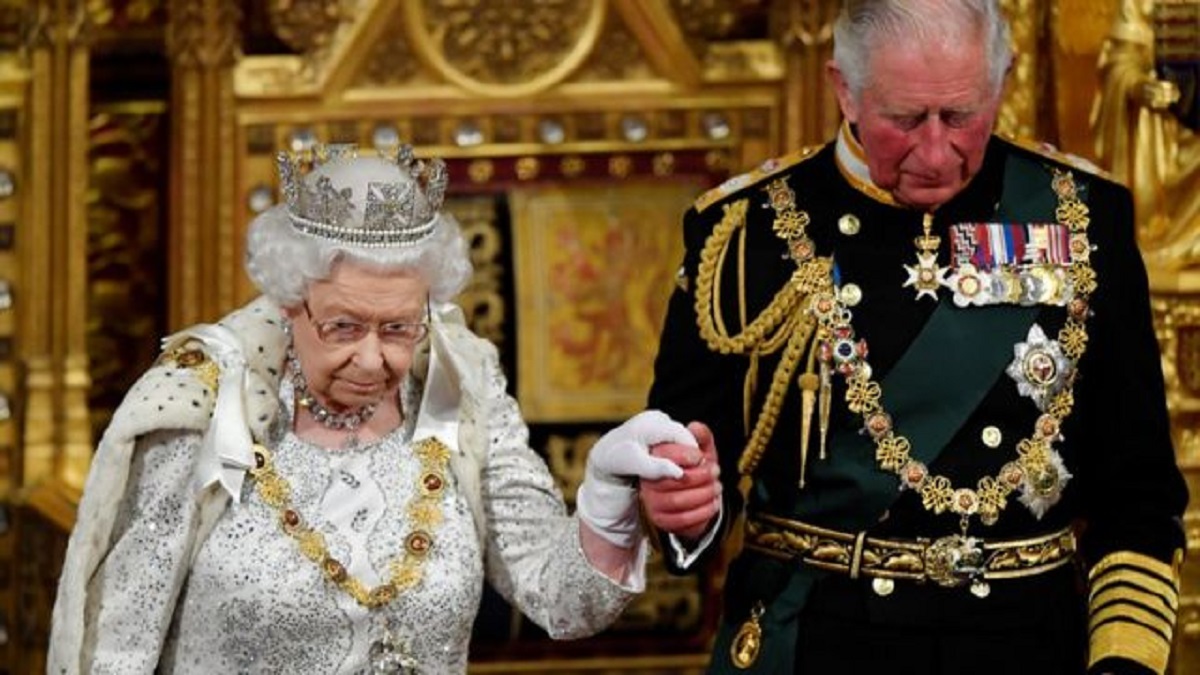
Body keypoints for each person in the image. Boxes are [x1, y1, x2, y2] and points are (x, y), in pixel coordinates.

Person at [640, 1, 1188, 674]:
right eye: (903, 120)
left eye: (960, 116)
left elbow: (1138, 495)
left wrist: (1122, 665)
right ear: (845, 87)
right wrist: (684, 509)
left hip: (1025, 645)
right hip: (816, 643)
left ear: (1003, 80)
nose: (935, 151)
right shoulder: (744, 231)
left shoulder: (1081, 217)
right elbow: (690, 477)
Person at [48, 143, 697, 673]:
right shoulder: (200, 404)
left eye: (397, 328)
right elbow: (116, 646)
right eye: (342, 327)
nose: (372, 360)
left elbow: (563, 601)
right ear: (288, 303)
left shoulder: (463, 393)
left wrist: (609, 498)